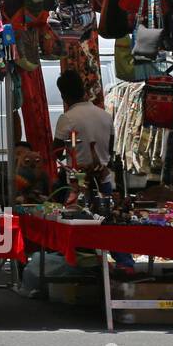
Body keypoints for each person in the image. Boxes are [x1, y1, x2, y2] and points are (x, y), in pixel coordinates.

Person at [53, 69, 134, 273]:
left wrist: (72, 150)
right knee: (110, 223)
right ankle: (125, 264)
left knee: (77, 225)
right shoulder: (104, 116)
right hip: (105, 179)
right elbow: (110, 148)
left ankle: (83, 266)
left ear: (64, 95)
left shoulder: (68, 118)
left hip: (79, 181)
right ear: (84, 90)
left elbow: (56, 151)